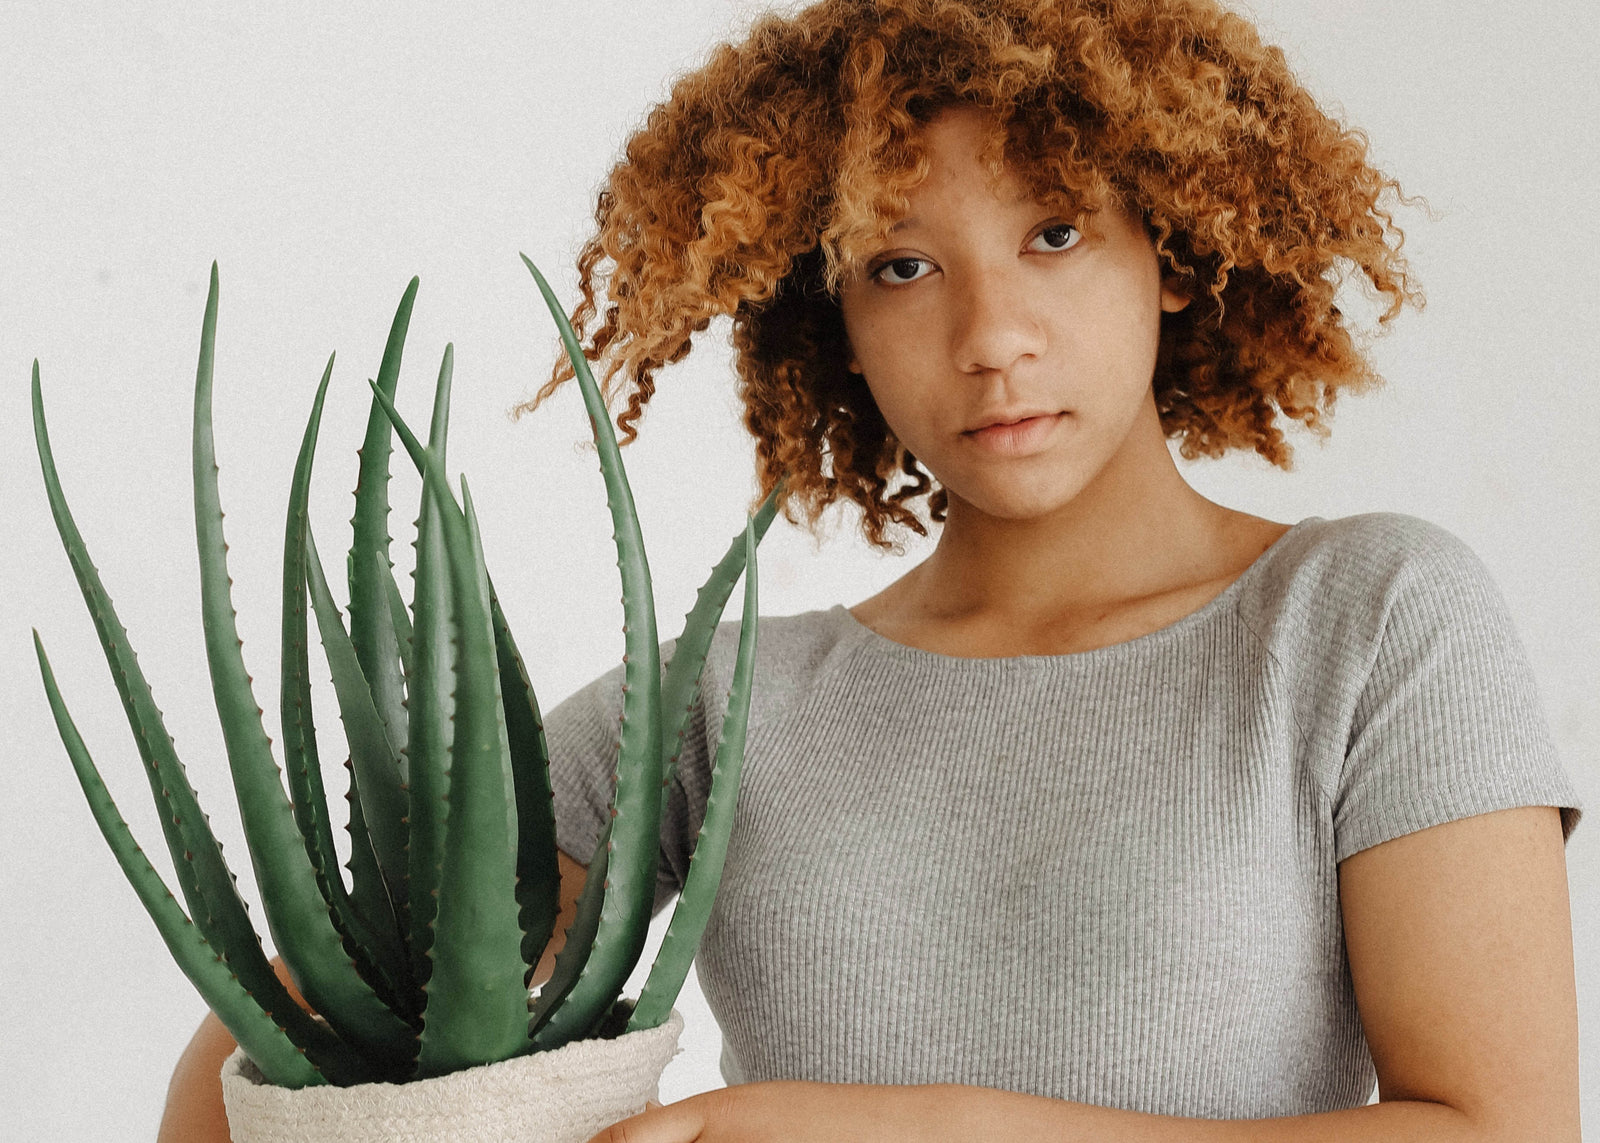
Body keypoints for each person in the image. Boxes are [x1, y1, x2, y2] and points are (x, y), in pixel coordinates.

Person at [160, 1, 1585, 1140]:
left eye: (1055, 233)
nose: (990, 335)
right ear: (830, 319)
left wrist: (924, 1128)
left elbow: (1500, 1129)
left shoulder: (1370, 622)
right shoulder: (719, 705)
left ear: (1173, 246)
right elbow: (269, 1056)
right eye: (900, 268)